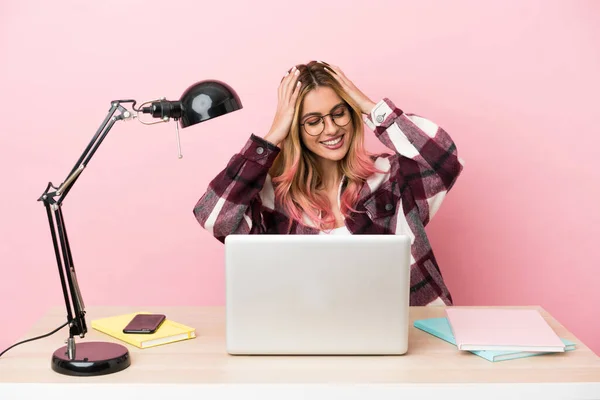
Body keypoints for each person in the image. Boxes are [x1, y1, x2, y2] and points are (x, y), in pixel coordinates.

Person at [193, 60, 464, 306]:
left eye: (339, 113)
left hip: (416, 338)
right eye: (313, 121)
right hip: (312, 343)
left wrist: (370, 107)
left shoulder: (390, 178)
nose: (332, 129)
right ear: (295, 130)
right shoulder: (270, 200)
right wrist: (272, 136)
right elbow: (214, 218)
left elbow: (445, 160)